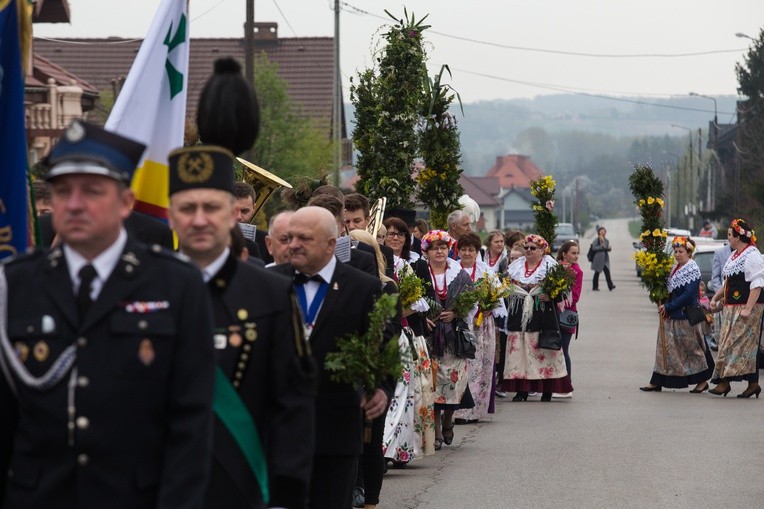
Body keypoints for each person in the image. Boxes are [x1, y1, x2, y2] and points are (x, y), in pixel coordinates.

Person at [0, 120, 216, 508]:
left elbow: (191, 421)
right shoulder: (14, 284)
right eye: (63, 191)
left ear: (126, 202)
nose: (75, 203)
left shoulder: (175, 284)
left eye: (92, 191)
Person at [167, 145, 316, 509]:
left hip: (246, 483)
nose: (199, 220)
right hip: (163, 484)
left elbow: (293, 401)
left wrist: (287, 492)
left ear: (233, 214)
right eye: (187, 208)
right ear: (171, 214)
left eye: (212, 207)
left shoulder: (272, 293)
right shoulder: (142, 291)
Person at [269, 207, 391, 509]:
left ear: (330, 244)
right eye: (290, 237)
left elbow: (383, 344)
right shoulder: (267, 282)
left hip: (335, 429)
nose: (294, 244)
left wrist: (382, 388)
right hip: (275, 428)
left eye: (304, 238)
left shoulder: (364, 288)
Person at [414, 230, 474, 449]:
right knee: (432, 383)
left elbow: (472, 301)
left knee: (453, 382)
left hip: (454, 337)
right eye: (434, 248)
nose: (439, 251)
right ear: (426, 251)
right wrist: (424, 317)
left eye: (443, 247)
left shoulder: (460, 274)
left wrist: (456, 313)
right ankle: (437, 430)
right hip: (430, 336)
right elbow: (411, 300)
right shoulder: (419, 272)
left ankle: (449, 421)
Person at [501, 234, 573, 401]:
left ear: (542, 250)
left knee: (544, 354)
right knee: (521, 354)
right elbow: (505, 288)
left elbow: (563, 292)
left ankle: (547, 390)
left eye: (533, 248)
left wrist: (550, 296)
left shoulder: (550, 267)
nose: (528, 250)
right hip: (519, 316)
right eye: (526, 247)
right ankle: (522, 390)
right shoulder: (516, 266)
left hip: (543, 317)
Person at [639, 237, 713, 393]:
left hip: (686, 316)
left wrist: (668, 306)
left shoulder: (692, 269)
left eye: (681, 251)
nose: (678, 254)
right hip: (672, 315)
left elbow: (688, 295)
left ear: (689, 252)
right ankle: (657, 380)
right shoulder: (675, 268)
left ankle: (702, 380)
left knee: (691, 349)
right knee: (664, 348)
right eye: (676, 251)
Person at [708, 219, 764, 398]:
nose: (728, 240)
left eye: (730, 236)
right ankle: (752, 384)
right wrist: (716, 298)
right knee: (728, 343)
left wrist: (748, 308)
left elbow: (757, 284)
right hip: (732, 307)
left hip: (748, 308)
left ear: (739, 237)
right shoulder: (735, 256)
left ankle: (725, 383)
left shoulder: (752, 255)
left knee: (739, 345)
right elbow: (728, 283)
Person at [454, 232, 506, 423]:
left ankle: (473, 411)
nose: (467, 253)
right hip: (458, 324)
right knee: (459, 366)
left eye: (471, 250)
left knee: (478, 367)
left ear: (477, 252)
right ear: (458, 251)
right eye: (464, 249)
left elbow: (498, 298)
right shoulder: (452, 269)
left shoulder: (486, 273)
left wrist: (487, 306)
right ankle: (455, 410)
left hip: (481, 325)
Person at [554, 240, 583, 398]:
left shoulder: (577, 271)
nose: (576, 256)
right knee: (553, 348)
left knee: (563, 349)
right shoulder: (556, 268)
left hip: (567, 315)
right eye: (573, 253)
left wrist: (559, 300)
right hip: (553, 314)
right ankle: (554, 383)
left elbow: (576, 296)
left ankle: (567, 387)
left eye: (577, 253)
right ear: (564, 254)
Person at [590, 226, 615, 291]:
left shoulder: (606, 240)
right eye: (601, 231)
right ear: (599, 232)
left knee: (607, 272)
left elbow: (606, 248)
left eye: (604, 231)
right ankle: (595, 287)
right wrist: (601, 247)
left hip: (605, 259)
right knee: (597, 273)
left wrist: (608, 249)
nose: (603, 232)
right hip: (598, 259)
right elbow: (594, 248)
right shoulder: (597, 240)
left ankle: (610, 286)